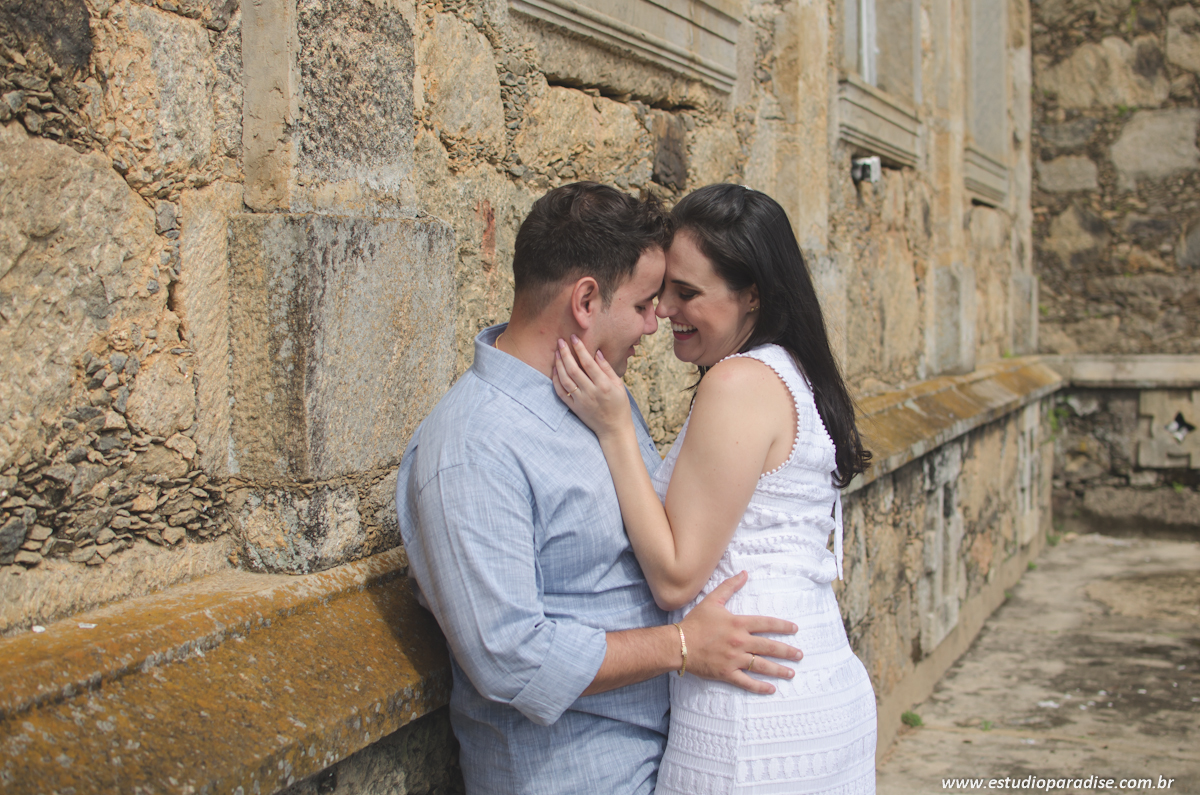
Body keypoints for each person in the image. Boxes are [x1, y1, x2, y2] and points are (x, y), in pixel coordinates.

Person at [396, 182, 804, 795]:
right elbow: (509, 656)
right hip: (576, 774)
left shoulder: (600, 395)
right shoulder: (473, 446)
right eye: (643, 304)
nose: (655, 322)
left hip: (663, 759)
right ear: (586, 300)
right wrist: (681, 646)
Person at [551, 183, 878, 794]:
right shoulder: (792, 373)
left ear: (753, 293)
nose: (664, 311)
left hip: (752, 710)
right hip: (809, 681)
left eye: (687, 293)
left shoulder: (740, 383)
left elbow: (677, 576)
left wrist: (615, 427)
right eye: (663, 289)